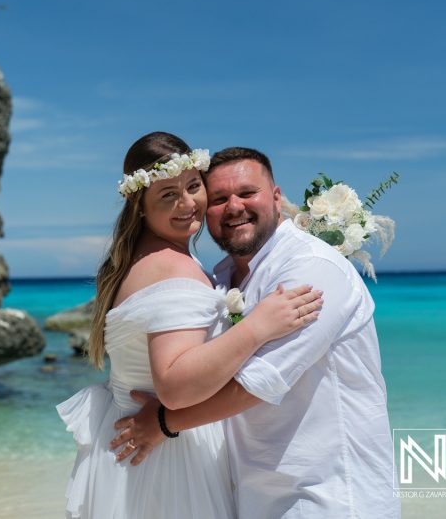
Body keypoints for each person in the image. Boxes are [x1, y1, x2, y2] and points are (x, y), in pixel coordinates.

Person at [110, 147, 400, 518]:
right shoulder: (221, 276)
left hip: (326, 495)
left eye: (247, 193)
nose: (233, 207)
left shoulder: (312, 269)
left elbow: (260, 382)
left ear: (277, 198)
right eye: (218, 198)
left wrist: (163, 423)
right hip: (253, 496)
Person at [57, 133, 323, 519]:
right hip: (171, 461)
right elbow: (175, 386)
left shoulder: (138, 258)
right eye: (168, 195)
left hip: (133, 450)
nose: (188, 205)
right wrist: (258, 326)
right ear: (138, 203)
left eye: (194, 187)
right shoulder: (173, 267)